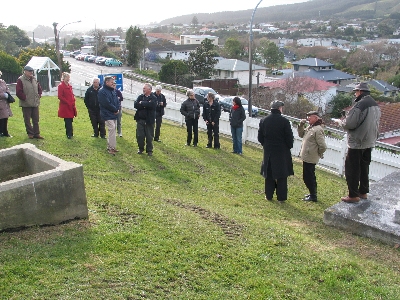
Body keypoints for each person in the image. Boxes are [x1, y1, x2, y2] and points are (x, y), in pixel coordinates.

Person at [336, 82, 381, 203]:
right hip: (369, 142)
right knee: (364, 167)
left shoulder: (360, 105)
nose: (355, 94)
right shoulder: (375, 104)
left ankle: (353, 195)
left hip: (357, 142)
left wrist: (340, 122)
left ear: (360, 92)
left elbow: (350, 123)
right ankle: (363, 192)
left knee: (352, 168)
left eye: (355, 92)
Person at [258, 100, 294, 202]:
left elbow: (260, 137)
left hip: (269, 151)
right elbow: (289, 138)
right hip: (281, 152)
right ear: (279, 108)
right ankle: (281, 197)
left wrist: (266, 145)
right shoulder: (285, 121)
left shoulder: (264, 120)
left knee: (269, 174)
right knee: (282, 175)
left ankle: (269, 195)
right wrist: (287, 147)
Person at [297, 111, 327, 202]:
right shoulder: (311, 127)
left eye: (310, 117)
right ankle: (312, 193)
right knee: (307, 176)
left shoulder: (318, 129)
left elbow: (323, 146)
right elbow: (301, 134)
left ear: (316, 118)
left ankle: (313, 195)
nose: (308, 118)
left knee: (309, 177)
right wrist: (301, 125)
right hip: (307, 157)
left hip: (311, 157)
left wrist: (317, 153)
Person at [16, 65, 44, 139]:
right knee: (27, 119)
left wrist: (39, 95)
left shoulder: (34, 79)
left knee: (36, 119)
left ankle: (36, 133)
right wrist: (25, 98)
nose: (31, 73)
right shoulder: (20, 80)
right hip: (26, 104)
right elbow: (18, 92)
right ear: (25, 71)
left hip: (35, 103)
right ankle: (30, 134)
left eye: (31, 71)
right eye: (29, 71)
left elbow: (39, 88)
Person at [98, 76, 120, 155]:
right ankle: (111, 148)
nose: (113, 84)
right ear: (107, 82)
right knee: (112, 129)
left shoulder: (112, 90)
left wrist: (117, 109)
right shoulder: (102, 91)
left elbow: (116, 101)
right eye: (111, 82)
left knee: (113, 130)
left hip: (113, 113)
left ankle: (112, 147)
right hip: (107, 114)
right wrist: (115, 109)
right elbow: (106, 103)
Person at [134, 83, 157, 156]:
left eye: (145, 88)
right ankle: (140, 148)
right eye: (143, 88)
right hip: (140, 119)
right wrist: (145, 104)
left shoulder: (153, 98)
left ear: (149, 90)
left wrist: (142, 103)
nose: (143, 90)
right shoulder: (140, 96)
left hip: (149, 121)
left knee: (149, 136)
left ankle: (149, 150)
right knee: (140, 135)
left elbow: (152, 105)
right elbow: (136, 105)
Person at [58, 72, 77, 139]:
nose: (68, 79)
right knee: (67, 120)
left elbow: (71, 94)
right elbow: (60, 96)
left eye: (69, 77)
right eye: (67, 77)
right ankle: (68, 134)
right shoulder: (61, 86)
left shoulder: (69, 85)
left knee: (70, 119)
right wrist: (67, 102)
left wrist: (73, 100)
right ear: (64, 78)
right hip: (65, 106)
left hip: (71, 105)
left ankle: (71, 133)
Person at [0, 71, 13, 137]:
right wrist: (3, 95)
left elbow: (7, 89)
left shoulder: (2, 82)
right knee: (1, 118)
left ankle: (5, 132)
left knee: (5, 117)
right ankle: (1, 132)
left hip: (5, 103)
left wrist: (7, 94)